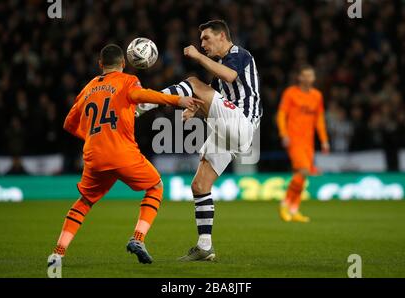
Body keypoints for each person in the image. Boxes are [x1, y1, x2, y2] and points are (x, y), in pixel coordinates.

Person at [47, 44, 200, 271]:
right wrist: (177, 100)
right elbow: (141, 95)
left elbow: (69, 124)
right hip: (122, 153)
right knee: (156, 186)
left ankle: (57, 254)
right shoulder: (127, 81)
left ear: (100, 64)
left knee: (85, 202)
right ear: (124, 64)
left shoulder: (88, 88)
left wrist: (92, 136)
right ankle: (137, 238)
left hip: (94, 156)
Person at [142, 19, 262, 261]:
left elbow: (229, 76)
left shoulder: (239, 54)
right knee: (199, 186)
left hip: (242, 123)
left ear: (222, 37)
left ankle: (145, 103)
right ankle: (205, 246)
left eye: (206, 38)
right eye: (200, 41)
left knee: (193, 81)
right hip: (227, 129)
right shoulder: (218, 68)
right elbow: (212, 93)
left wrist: (197, 57)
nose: (202, 44)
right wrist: (193, 109)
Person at [276, 65, 329, 223]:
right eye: (304, 75)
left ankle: (294, 209)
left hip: (309, 142)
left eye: (310, 76)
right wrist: (283, 134)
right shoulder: (291, 93)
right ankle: (285, 204)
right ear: (299, 77)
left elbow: (319, 119)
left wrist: (324, 139)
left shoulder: (317, 96)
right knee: (304, 170)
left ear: (314, 78)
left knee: (301, 176)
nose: (307, 78)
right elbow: (281, 114)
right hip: (294, 139)